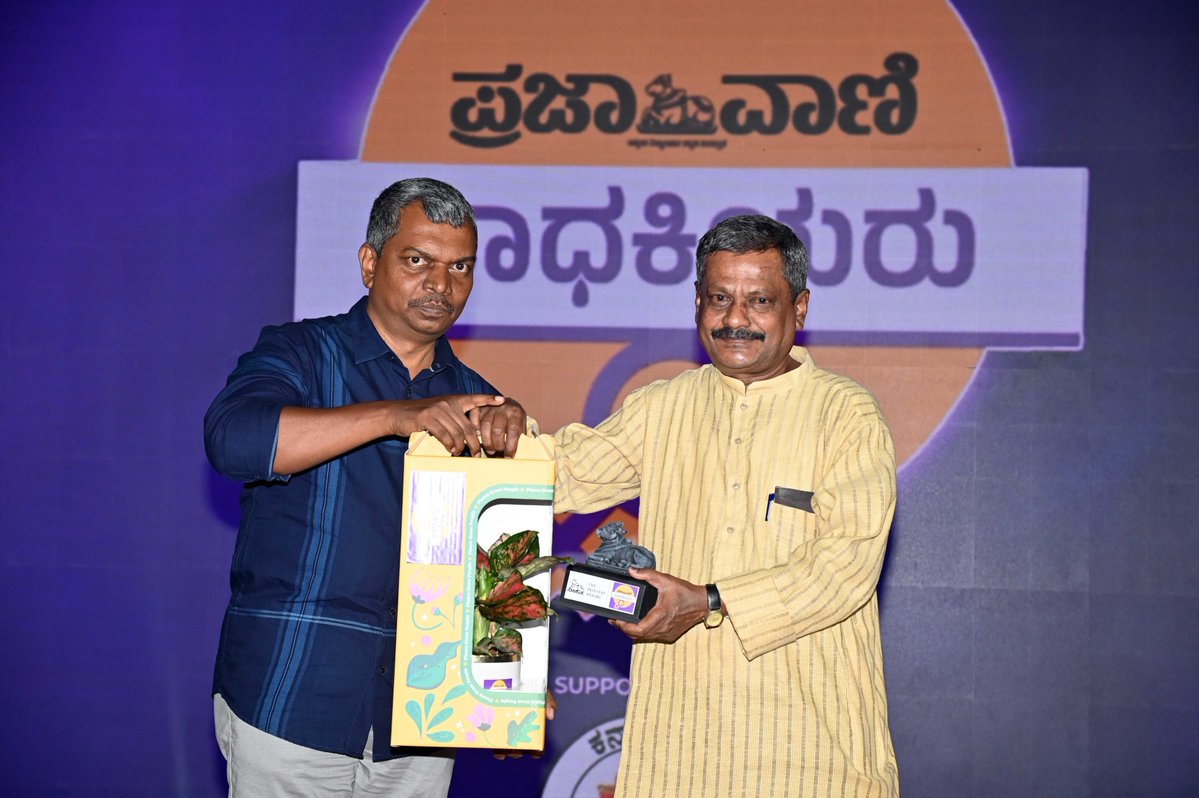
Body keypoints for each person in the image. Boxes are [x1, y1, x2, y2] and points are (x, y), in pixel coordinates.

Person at [204, 178, 529, 797]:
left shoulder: (480, 401)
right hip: (293, 694)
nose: (441, 284)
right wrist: (392, 416)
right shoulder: (300, 351)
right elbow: (234, 441)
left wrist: (508, 688)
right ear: (369, 262)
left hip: (425, 715)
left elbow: (498, 567)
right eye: (418, 261)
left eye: (460, 266)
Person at [554, 215, 899, 797]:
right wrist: (481, 433)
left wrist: (708, 600)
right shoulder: (662, 406)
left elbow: (844, 570)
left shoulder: (846, 415)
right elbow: (564, 472)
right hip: (679, 755)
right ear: (696, 303)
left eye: (760, 301)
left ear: (801, 307)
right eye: (720, 298)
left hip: (810, 755)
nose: (735, 319)